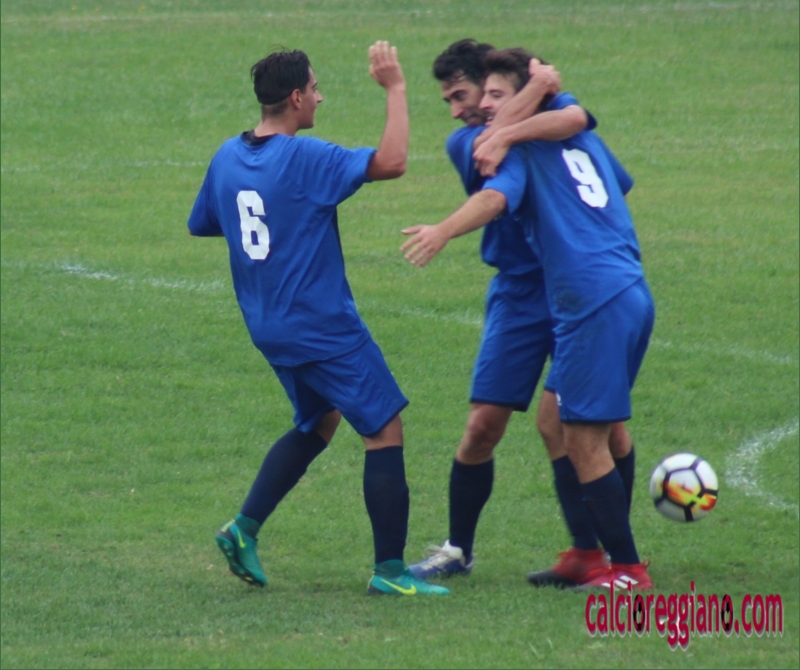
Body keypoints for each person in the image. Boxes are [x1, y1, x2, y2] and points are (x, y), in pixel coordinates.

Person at [188, 42, 448, 596]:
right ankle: (391, 573)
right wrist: (396, 88)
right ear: (295, 97)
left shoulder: (227, 156)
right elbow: (393, 162)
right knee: (384, 429)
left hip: (268, 326)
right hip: (321, 326)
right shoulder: (304, 159)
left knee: (320, 420)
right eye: (315, 88)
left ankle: (243, 529)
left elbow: (205, 221)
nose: (320, 97)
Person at [402, 47, 654, 591]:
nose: (461, 110)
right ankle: (466, 549)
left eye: (468, 96)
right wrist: (539, 91)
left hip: (581, 289)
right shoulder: (476, 140)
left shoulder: (535, 130)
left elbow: (542, 162)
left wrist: (443, 230)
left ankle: (616, 560)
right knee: (493, 425)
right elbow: (538, 146)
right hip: (532, 293)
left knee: (592, 428)